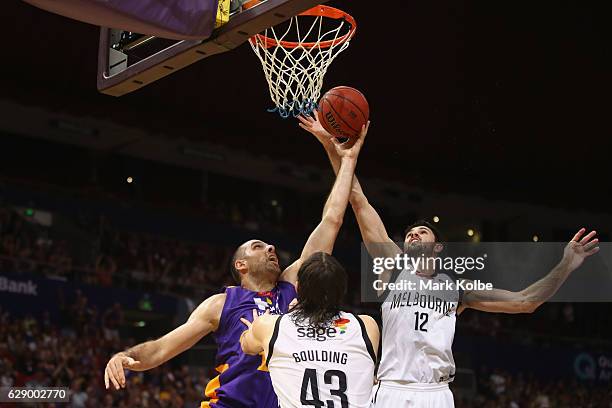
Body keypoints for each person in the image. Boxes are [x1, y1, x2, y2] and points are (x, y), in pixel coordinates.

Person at [299, 111, 600, 407]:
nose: (414, 235)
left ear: (438, 247)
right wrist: (331, 146)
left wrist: (566, 264)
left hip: (437, 393)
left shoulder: (457, 289)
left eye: (422, 232)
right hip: (391, 388)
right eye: (410, 234)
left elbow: (526, 301)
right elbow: (357, 199)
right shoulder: (393, 265)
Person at [104, 121, 370, 408]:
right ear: (241, 265)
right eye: (258, 246)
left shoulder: (293, 284)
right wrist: (124, 356)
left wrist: (345, 158)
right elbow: (161, 349)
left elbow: (332, 219)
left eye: (270, 246)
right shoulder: (221, 304)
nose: (270, 248)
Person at [240, 251, 379, 408]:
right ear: (342, 290)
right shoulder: (367, 326)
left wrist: (256, 325)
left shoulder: (269, 325)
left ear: (298, 287)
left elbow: (247, 346)